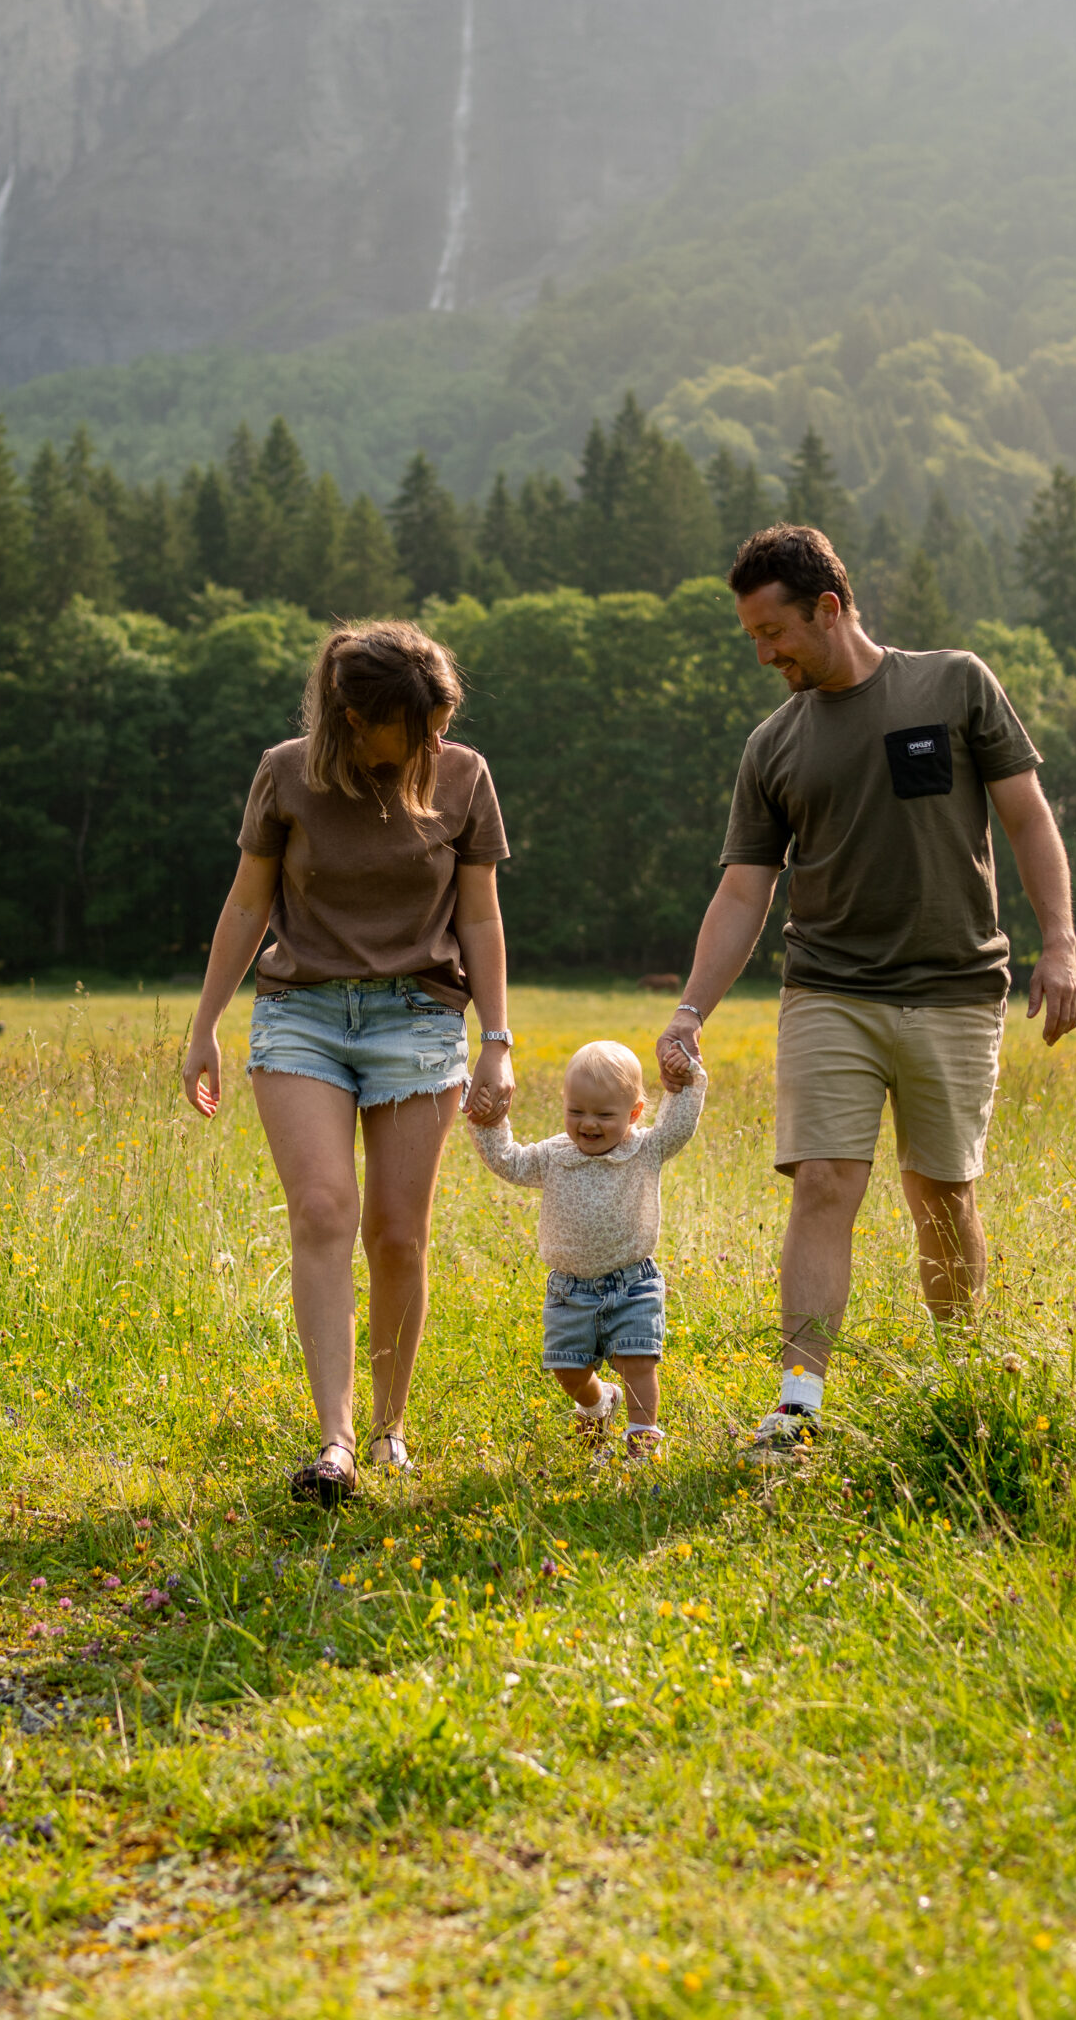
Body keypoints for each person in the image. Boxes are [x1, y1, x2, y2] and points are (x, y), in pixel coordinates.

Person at [656, 521, 1076, 1460]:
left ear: (830, 608)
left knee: (942, 1192)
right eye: (753, 639)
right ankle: (797, 1402)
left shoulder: (953, 683)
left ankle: (961, 1384)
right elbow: (742, 891)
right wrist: (691, 1009)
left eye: (775, 633)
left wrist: (1059, 945)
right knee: (822, 1183)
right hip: (828, 989)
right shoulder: (772, 746)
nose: (765, 654)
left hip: (958, 988)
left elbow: (1027, 818)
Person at [181, 622, 515, 1506]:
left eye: (444, 721)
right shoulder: (285, 771)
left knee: (396, 1233)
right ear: (356, 719)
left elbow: (478, 917)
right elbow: (248, 900)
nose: (436, 741)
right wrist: (205, 1023)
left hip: (418, 1015)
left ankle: (388, 1427)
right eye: (419, 725)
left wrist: (498, 1038)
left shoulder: (464, 776)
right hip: (302, 1013)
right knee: (323, 1210)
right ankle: (334, 1444)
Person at [470, 1038, 706, 1461]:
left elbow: (679, 1126)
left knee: (638, 1360)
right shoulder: (553, 1156)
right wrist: (489, 1123)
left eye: (603, 1114)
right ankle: (598, 1403)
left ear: (633, 1114)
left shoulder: (645, 1148)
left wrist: (687, 1080)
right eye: (576, 1111)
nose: (588, 1124)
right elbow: (508, 1161)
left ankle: (643, 1431)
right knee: (569, 1369)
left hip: (632, 1280)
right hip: (569, 1290)